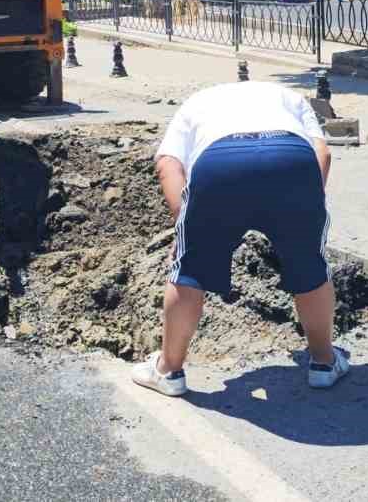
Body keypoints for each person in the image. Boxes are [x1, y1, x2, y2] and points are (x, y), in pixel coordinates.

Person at [132, 81, 349, 396]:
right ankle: (324, 363)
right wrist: (305, 211)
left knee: (189, 271)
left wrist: (186, 228)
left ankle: (168, 370)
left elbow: (168, 164)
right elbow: (322, 154)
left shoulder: (196, 100)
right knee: (309, 265)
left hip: (220, 161)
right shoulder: (290, 97)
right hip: (290, 158)